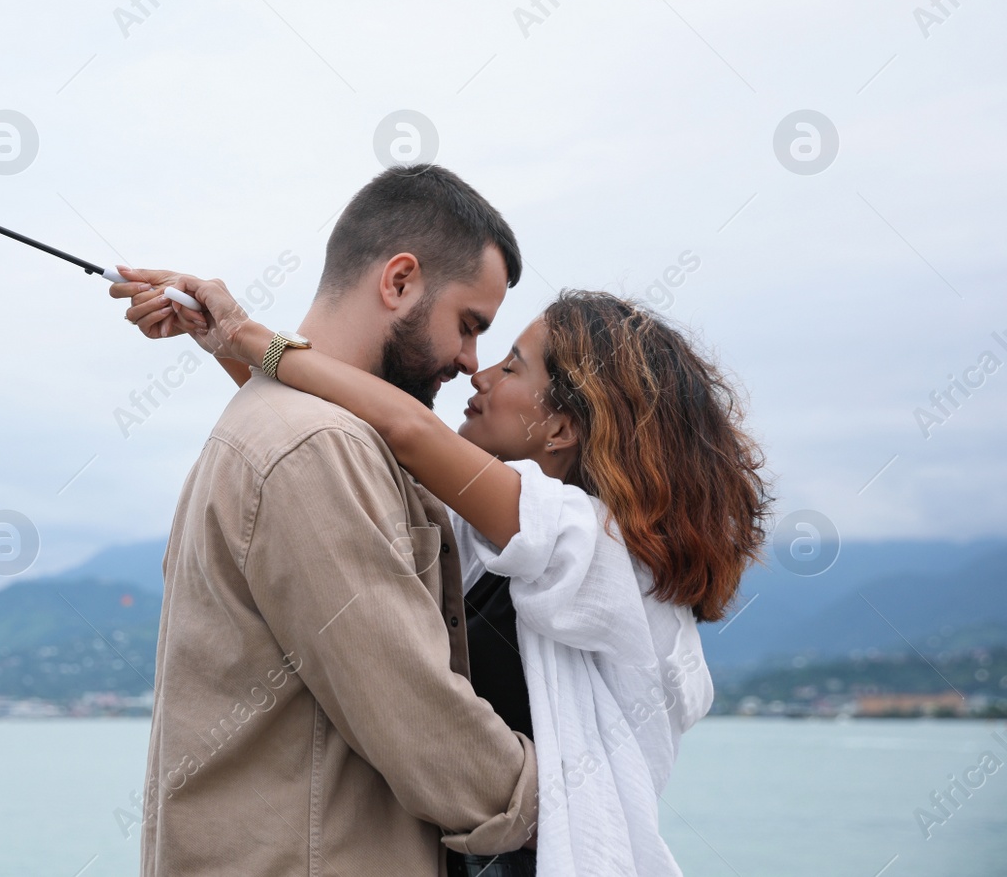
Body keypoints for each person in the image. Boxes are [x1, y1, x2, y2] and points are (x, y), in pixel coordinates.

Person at [116, 258, 771, 877]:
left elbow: (406, 431)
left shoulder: (593, 545)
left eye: (513, 367)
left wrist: (249, 333)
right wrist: (224, 341)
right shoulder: (503, 540)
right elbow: (342, 445)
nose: (479, 374)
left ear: (562, 427)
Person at [115, 166, 542, 877]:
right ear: (399, 281)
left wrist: (235, 339)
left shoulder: (290, 425)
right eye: (469, 325)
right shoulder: (317, 446)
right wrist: (565, 797)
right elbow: (422, 724)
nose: (471, 362)